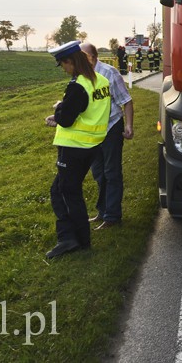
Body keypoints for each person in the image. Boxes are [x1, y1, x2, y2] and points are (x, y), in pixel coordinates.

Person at [44, 41, 111, 259]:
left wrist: (59, 108)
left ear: (71, 62)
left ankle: (76, 240)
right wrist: (63, 110)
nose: (63, 69)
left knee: (68, 193)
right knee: (60, 190)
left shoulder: (77, 86)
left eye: (63, 64)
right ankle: (70, 237)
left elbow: (66, 119)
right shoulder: (101, 81)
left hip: (74, 148)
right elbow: (88, 110)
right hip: (92, 146)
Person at [80, 42, 134, 229]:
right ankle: (102, 212)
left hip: (111, 127)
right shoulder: (80, 75)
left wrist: (129, 125)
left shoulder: (109, 73)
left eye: (83, 56)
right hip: (93, 131)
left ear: (94, 57)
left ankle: (112, 216)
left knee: (112, 172)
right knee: (98, 173)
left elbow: (126, 101)